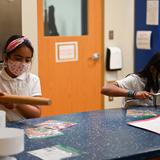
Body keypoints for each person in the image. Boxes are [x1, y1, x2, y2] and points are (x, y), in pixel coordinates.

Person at [0, 35, 42, 121]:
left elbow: (37, 114)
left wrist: (17, 103)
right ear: (6, 58)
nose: (23, 64)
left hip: (26, 129)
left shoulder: (33, 80)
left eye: (27, 60)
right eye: (18, 59)